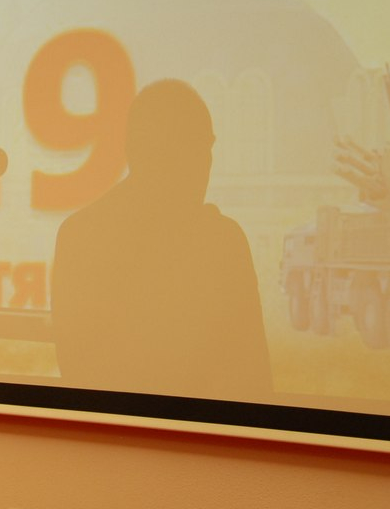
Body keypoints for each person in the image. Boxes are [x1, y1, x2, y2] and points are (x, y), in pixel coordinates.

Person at [50, 78, 272, 401]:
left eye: (206, 149)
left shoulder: (77, 234)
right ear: (142, 154)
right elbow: (254, 380)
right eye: (192, 149)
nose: (204, 164)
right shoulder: (223, 243)